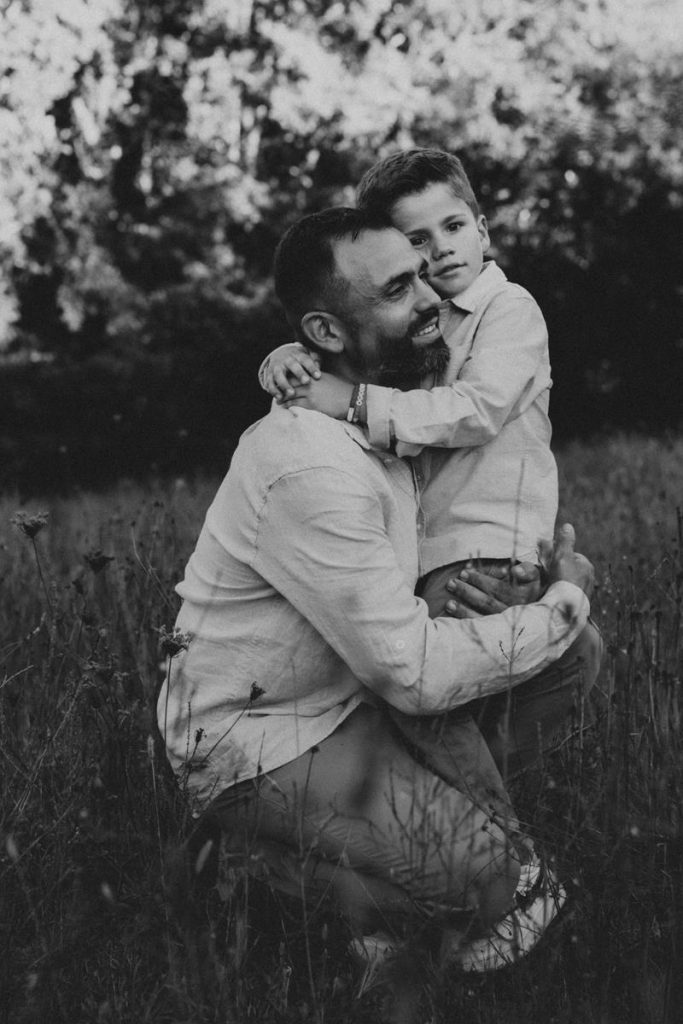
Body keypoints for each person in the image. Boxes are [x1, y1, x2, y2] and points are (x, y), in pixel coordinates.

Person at [160, 209, 598, 1001]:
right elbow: (413, 675)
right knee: (488, 877)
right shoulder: (306, 464)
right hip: (263, 733)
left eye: (425, 272)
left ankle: (406, 870)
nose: (430, 295)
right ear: (326, 329)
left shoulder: (386, 408)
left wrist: (510, 601)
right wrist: (561, 602)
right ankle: (254, 869)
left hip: (356, 692)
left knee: (573, 659)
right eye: (398, 288)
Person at [258, 148, 599, 788]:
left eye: (453, 227)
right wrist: (286, 357)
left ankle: (485, 827)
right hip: (429, 547)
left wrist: (354, 403)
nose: (440, 250)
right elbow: (340, 343)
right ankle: (467, 818)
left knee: (432, 700)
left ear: (483, 229)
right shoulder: (416, 321)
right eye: (418, 239)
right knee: (449, 696)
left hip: (482, 542)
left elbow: (477, 409)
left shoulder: (509, 310)